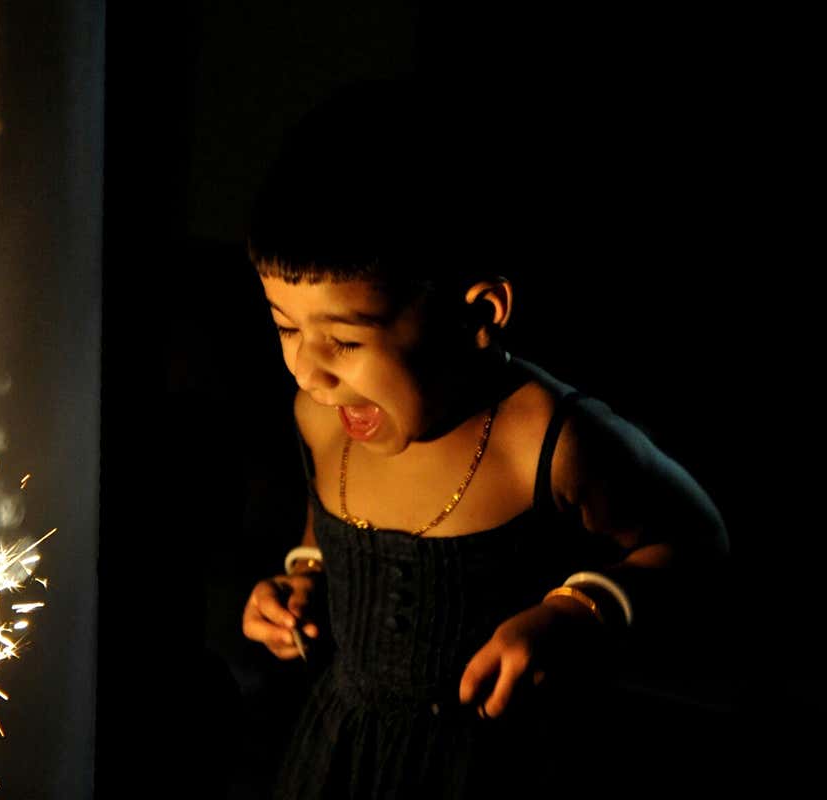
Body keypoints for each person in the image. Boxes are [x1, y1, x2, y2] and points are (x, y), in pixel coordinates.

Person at [239, 81, 729, 798]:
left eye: (345, 339)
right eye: (285, 326)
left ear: (480, 313)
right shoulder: (319, 415)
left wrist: (579, 612)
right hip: (340, 757)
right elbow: (327, 517)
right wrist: (306, 578)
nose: (310, 371)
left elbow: (698, 540)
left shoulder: (549, 442)